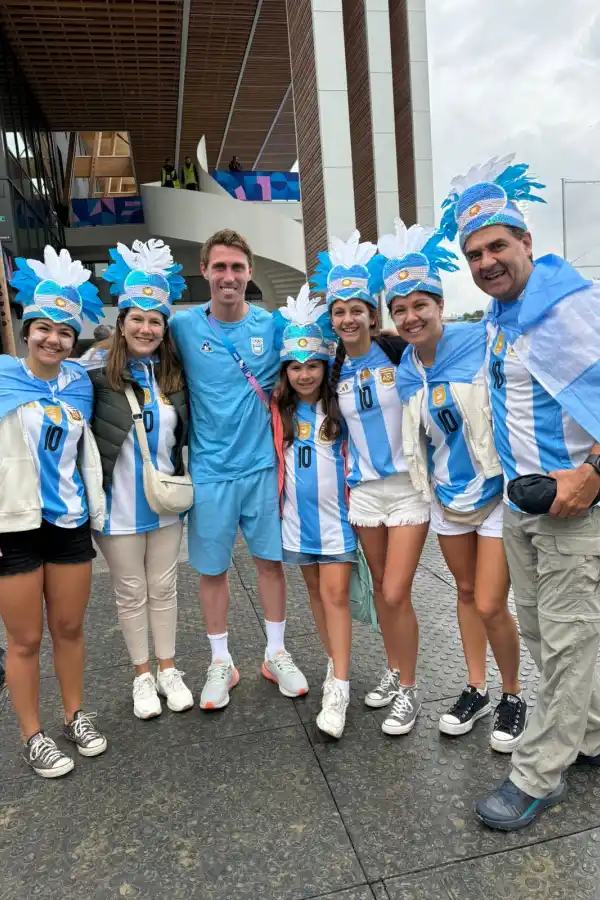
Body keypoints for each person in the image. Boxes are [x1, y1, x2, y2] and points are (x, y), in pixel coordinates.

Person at [441, 153, 600, 831]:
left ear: (526, 242)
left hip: (573, 512)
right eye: (474, 254)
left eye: (497, 247)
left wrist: (595, 472)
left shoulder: (567, 309)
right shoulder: (502, 317)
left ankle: (538, 775)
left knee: (567, 645)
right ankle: (590, 732)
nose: (487, 262)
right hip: (520, 506)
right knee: (541, 633)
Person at [386, 218, 525, 750]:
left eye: (420, 305)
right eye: (400, 310)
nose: (411, 317)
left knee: (490, 602)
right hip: (447, 497)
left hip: (495, 492)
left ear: (440, 306)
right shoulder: (405, 368)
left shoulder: (479, 340)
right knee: (465, 594)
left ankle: (513, 694)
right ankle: (476, 687)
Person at [170, 229, 307, 710]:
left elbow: (311, 364)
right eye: (220, 267)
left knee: (270, 563)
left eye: (237, 267)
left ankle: (276, 653)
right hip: (210, 471)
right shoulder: (183, 327)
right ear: (204, 271)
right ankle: (220, 662)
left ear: (249, 272)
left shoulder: (272, 326)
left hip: (263, 468)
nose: (228, 276)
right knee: (213, 570)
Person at [311, 231, 430, 737]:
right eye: (339, 312)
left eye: (356, 310)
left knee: (397, 591)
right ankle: (395, 669)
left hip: (407, 489)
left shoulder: (399, 354)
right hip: (363, 494)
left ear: (372, 315)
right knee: (382, 589)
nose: (348, 319)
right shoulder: (332, 369)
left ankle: (411, 688)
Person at [0, 246, 107, 778]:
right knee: (24, 640)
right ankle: (32, 735)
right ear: (27, 332)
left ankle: (73, 716)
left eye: (65, 332)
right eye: (44, 328)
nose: (54, 340)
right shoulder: (2, 377)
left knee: (69, 626)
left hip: (69, 521)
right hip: (14, 525)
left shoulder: (79, 384)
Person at [89, 239, 193, 720]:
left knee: (165, 587)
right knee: (131, 592)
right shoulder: (94, 376)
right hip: (118, 509)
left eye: (155, 321)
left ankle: (169, 668)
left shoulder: (173, 376)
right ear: (122, 322)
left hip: (165, 504)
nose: (145, 328)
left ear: (164, 328)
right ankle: (142, 676)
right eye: (137, 319)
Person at [271, 285, 355, 738]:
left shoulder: (340, 407)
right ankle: (333, 660)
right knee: (317, 596)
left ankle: (339, 687)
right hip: (296, 526)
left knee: (336, 595)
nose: (305, 375)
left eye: (313, 365)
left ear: (326, 365)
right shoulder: (278, 410)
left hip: (337, 523)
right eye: (296, 366)